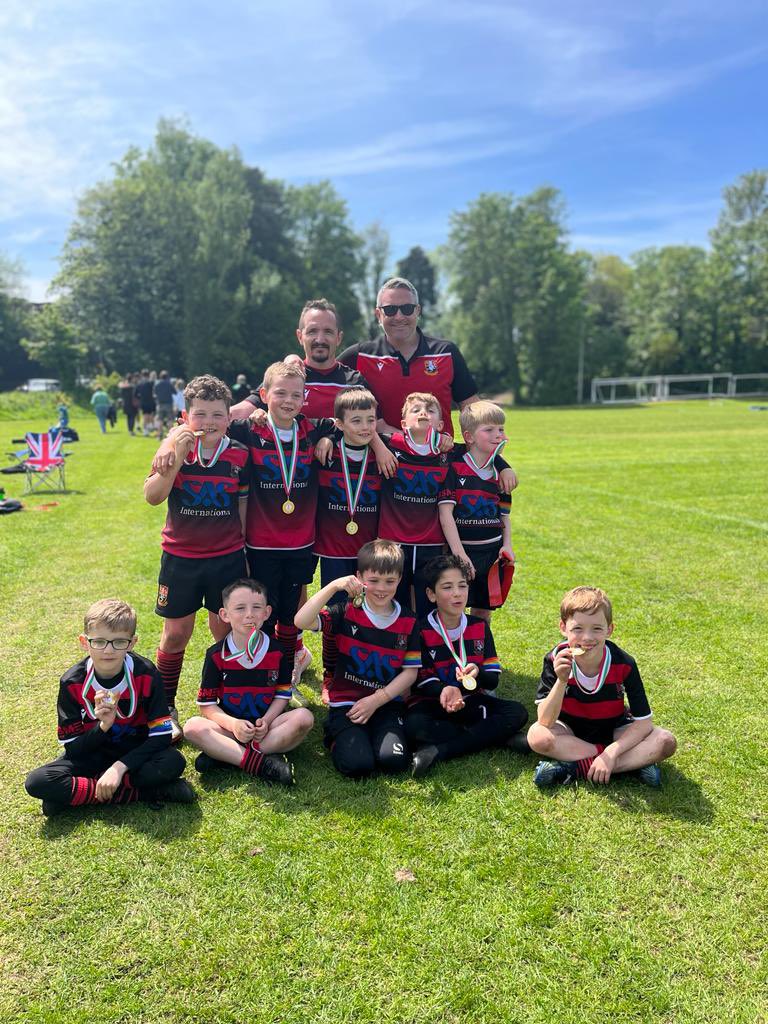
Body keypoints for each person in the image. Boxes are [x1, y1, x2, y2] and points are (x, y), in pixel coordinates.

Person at [144, 375, 250, 742]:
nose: (208, 423)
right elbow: (152, 497)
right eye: (200, 415)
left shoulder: (238, 452)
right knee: (176, 634)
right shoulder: (174, 448)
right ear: (185, 417)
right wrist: (172, 456)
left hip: (227, 557)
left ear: (228, 418)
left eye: (217, 415)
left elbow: (243, 504)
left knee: (225, 630)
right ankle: (164, 707)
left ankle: (225, 701)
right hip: (181, 558)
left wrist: (246, 550)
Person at [24, 599, 193, 816]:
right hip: (92, 755)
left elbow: (160, 736)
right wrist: (103, 726)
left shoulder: (146, 674)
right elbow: (73, 748)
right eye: (99, 641)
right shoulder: (71, 682)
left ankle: (77, 795)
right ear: (84, 642)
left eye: (119, 642)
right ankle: (148, 792)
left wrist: (118, 768)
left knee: (173, 762)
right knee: (37, 781)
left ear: (132, 643)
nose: (108, 650)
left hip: (135, 754)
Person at [227, 361, 335, 683]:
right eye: (280, 393)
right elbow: (208, 423)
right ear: (263, 395)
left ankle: (285, 671)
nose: (288, 401)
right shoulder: (249, 429)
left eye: (296, 395)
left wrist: (328, 437)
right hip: (261, 543)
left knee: (289, 613)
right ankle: (264, 668)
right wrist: (173, 440)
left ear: (305, 399)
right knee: (262, 610)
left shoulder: (312, 428)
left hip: (301, 543)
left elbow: (339, 423)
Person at [528, 586, 677, 788]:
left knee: (666, 741)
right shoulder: (556, 658)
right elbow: (545, 720)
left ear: (609, 629)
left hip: (613, 729)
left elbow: (643, 723)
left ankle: (574, 768)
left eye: (597, 629)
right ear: (563, 627)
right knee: (537, 736)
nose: (587, 638)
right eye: (578, 629)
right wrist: (561, 680)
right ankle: (633, 764)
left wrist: (611, 753)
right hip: (570, 732)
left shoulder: (624, 663)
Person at [295, 540, 420, 779]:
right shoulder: (346, 611)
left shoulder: (409, 621)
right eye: (373, 581)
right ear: (359, 577)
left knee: (393, 762)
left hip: (385, 704)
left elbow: (410, 673)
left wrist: (376, 700)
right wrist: (333, 586)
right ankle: (335, 733)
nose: (381, 588)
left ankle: (374, 734)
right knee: (358, 765)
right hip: (347, 704)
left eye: (389, 581)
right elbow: (301, 621)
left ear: (399, 579)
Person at [406, 555, 528, 777]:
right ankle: (495, 736)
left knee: (517, 712)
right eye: (447, 587)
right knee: (414, 725)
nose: (457, 593)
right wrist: (444, 689)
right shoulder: (420, 630)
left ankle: (439, 751)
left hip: (471, 701)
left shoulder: (479, 626)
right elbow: (420, 679)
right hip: (433, 704)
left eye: (462, 586)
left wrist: (478, 673)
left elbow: (492, 679)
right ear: (431, 595)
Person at [183, 579, 314, 785]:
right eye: (240, 608)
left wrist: (268, 721)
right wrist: (233, 724)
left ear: (267, 612)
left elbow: (282, 694)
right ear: (224, 615)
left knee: (304, 718)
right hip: (230, 729)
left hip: (267, 730)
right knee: (192, 727)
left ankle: (226, 755)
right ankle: (261, 763)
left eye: (256, 608)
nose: (249, 614)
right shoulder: (216, 655)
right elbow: (206, 705)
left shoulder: (277, 651)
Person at [230, 298, 367, 421]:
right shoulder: (285, 376)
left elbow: (373, 427)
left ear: (339, 338)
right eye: (312, 331)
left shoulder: (355, 382)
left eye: (328, 331)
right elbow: (242, 410)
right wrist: (211, 419)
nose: (320, 339)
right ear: (300, 337)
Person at [439, 401, 515, 622]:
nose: (498, 435)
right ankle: (454, 655)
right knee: (454, 609)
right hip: (461, 553)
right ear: (469, 437)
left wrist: (507, 545)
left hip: (492, 555)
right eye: (489, 430)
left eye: (501, 429)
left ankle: (482, 654)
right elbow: (445, 515)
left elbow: (504, 517)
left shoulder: (501, 475)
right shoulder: (454, 468)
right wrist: (459, 554)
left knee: (483, 611)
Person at [377, 391, 451, 618]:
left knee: (429, 603)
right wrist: (378, 447)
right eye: (416, 410)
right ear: (402, 423)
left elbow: (478, 449)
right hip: (393, 541)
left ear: (440, 424)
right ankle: (396, 648)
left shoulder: (447, 452)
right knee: (393, 602)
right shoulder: (390, 445)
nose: (423, 413)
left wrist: (503, 465)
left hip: (431, 543)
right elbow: (368, 431)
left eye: (430, 410)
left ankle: (425, 650)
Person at [153, 371, 176, 435]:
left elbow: (154, 394)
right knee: (170, 419)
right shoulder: (169, 384)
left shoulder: (157, 385)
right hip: (169, 404)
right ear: (167, 377)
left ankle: (160, 433)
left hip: (160, 404)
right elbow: (175, 392)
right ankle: (170, 434)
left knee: (160, 419)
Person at [135, 370, 156, 436]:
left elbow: (135, 394)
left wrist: (140, 397)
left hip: (143, 402)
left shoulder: (139, 383)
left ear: (142, 375)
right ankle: (148, 428)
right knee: (149, 416)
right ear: (148, 375)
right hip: (150, 402)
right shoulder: (150, 383)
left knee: (145, 416)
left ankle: (145, 431)